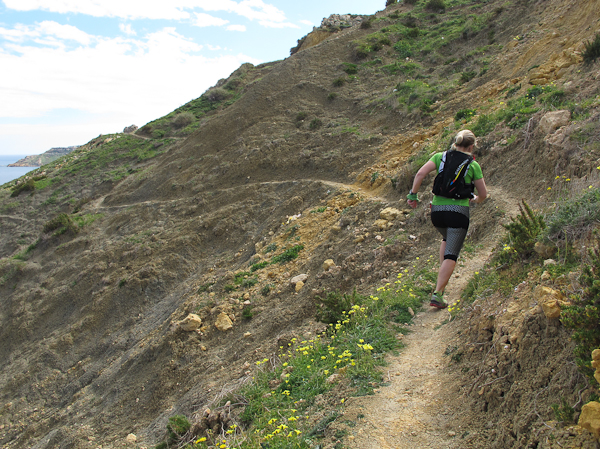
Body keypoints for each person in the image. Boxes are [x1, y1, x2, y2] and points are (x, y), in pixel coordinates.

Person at [406, 129, 488, 309]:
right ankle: (437, 294)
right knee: (452, 254)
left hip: (437, 212)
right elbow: (483, 193)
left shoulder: (439, 157)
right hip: (458, 212)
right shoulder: (473, 165)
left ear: (455, 143)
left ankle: (441, 285)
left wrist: (413, 195)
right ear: (471, 146)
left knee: (446, 238)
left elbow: (420, 174)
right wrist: (476, 199)